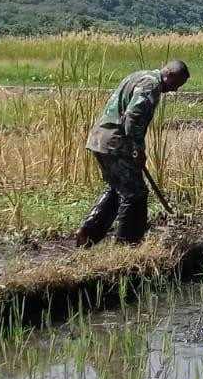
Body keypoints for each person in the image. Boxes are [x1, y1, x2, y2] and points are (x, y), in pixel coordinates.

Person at [75, 60, 190, 247]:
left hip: (101, 139)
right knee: (135, 193)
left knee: (116, 187)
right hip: (117, 143)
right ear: (168, 74)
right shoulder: (151, 85)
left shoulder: (139, 75)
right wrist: (137, 147)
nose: (175, 90)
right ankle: (128, 243)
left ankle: (88, 232)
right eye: (176, 84)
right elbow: (133, 116)